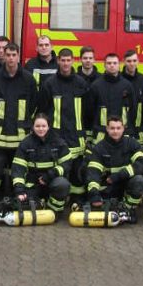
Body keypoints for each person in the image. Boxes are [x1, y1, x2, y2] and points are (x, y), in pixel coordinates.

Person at [0, 42, 38, 206]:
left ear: (18, 56)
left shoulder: (28, 78)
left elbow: (34, 103)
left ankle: (17, 198)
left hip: (21, 137)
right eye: (8, 55)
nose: (11, 58)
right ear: (4, 56)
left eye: (14, 55)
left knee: (19, 171)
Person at [37, 48, 89, 201]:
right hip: (56, 137)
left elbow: (88, 111)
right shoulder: (50, 84)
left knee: (77, 173)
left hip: (76, 137)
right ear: (58, 61)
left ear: (73, 61)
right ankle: (55, 198)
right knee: (55, 169)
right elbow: (43, 109)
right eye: (63, 60)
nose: (66, 63)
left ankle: (76, 201)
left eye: (68, 60)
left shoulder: (81, 83)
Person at [83, 116, 143, 221]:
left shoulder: (132, 144)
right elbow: (93, 173)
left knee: (139, 180)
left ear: (123, 129)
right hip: (108, 186)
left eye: (118, 128)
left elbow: (142, 163)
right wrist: (94, 194)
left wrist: (118, 176)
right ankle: (109, 207)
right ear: (107, 129)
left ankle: (128, 209)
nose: (115, 131)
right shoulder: (99, 148)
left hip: (125, 184)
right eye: (112, 128)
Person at [11, 114, 72, 217]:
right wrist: (19, 190)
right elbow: (18, 168)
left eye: (44, 126)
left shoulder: (58, 142)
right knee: (26, 204)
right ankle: (40, 205)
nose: (41, 129)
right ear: (33, 127)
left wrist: (50, 175)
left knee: (63, 184)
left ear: (48, 126)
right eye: (37, 126)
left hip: (52, 181)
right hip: (33, 183)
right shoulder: (26, 143)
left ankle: (55, 211)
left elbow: (67, 163)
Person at [84, 53, 136, 144]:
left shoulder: (127, 86)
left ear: (119, 65)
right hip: (101, 135)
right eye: (109, 63)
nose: (112, 65)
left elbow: (132, 110)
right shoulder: (96, 86)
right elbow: (89, 111)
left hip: (122, 134)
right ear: (104, 65)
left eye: (115, 63)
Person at [121, 49, 143, 144]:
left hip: (138, 130)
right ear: (124, 62)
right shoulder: (119, 80)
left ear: (138, 61)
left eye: (134, 61)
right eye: (129, 61)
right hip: (121, 130)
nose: (132, 64)